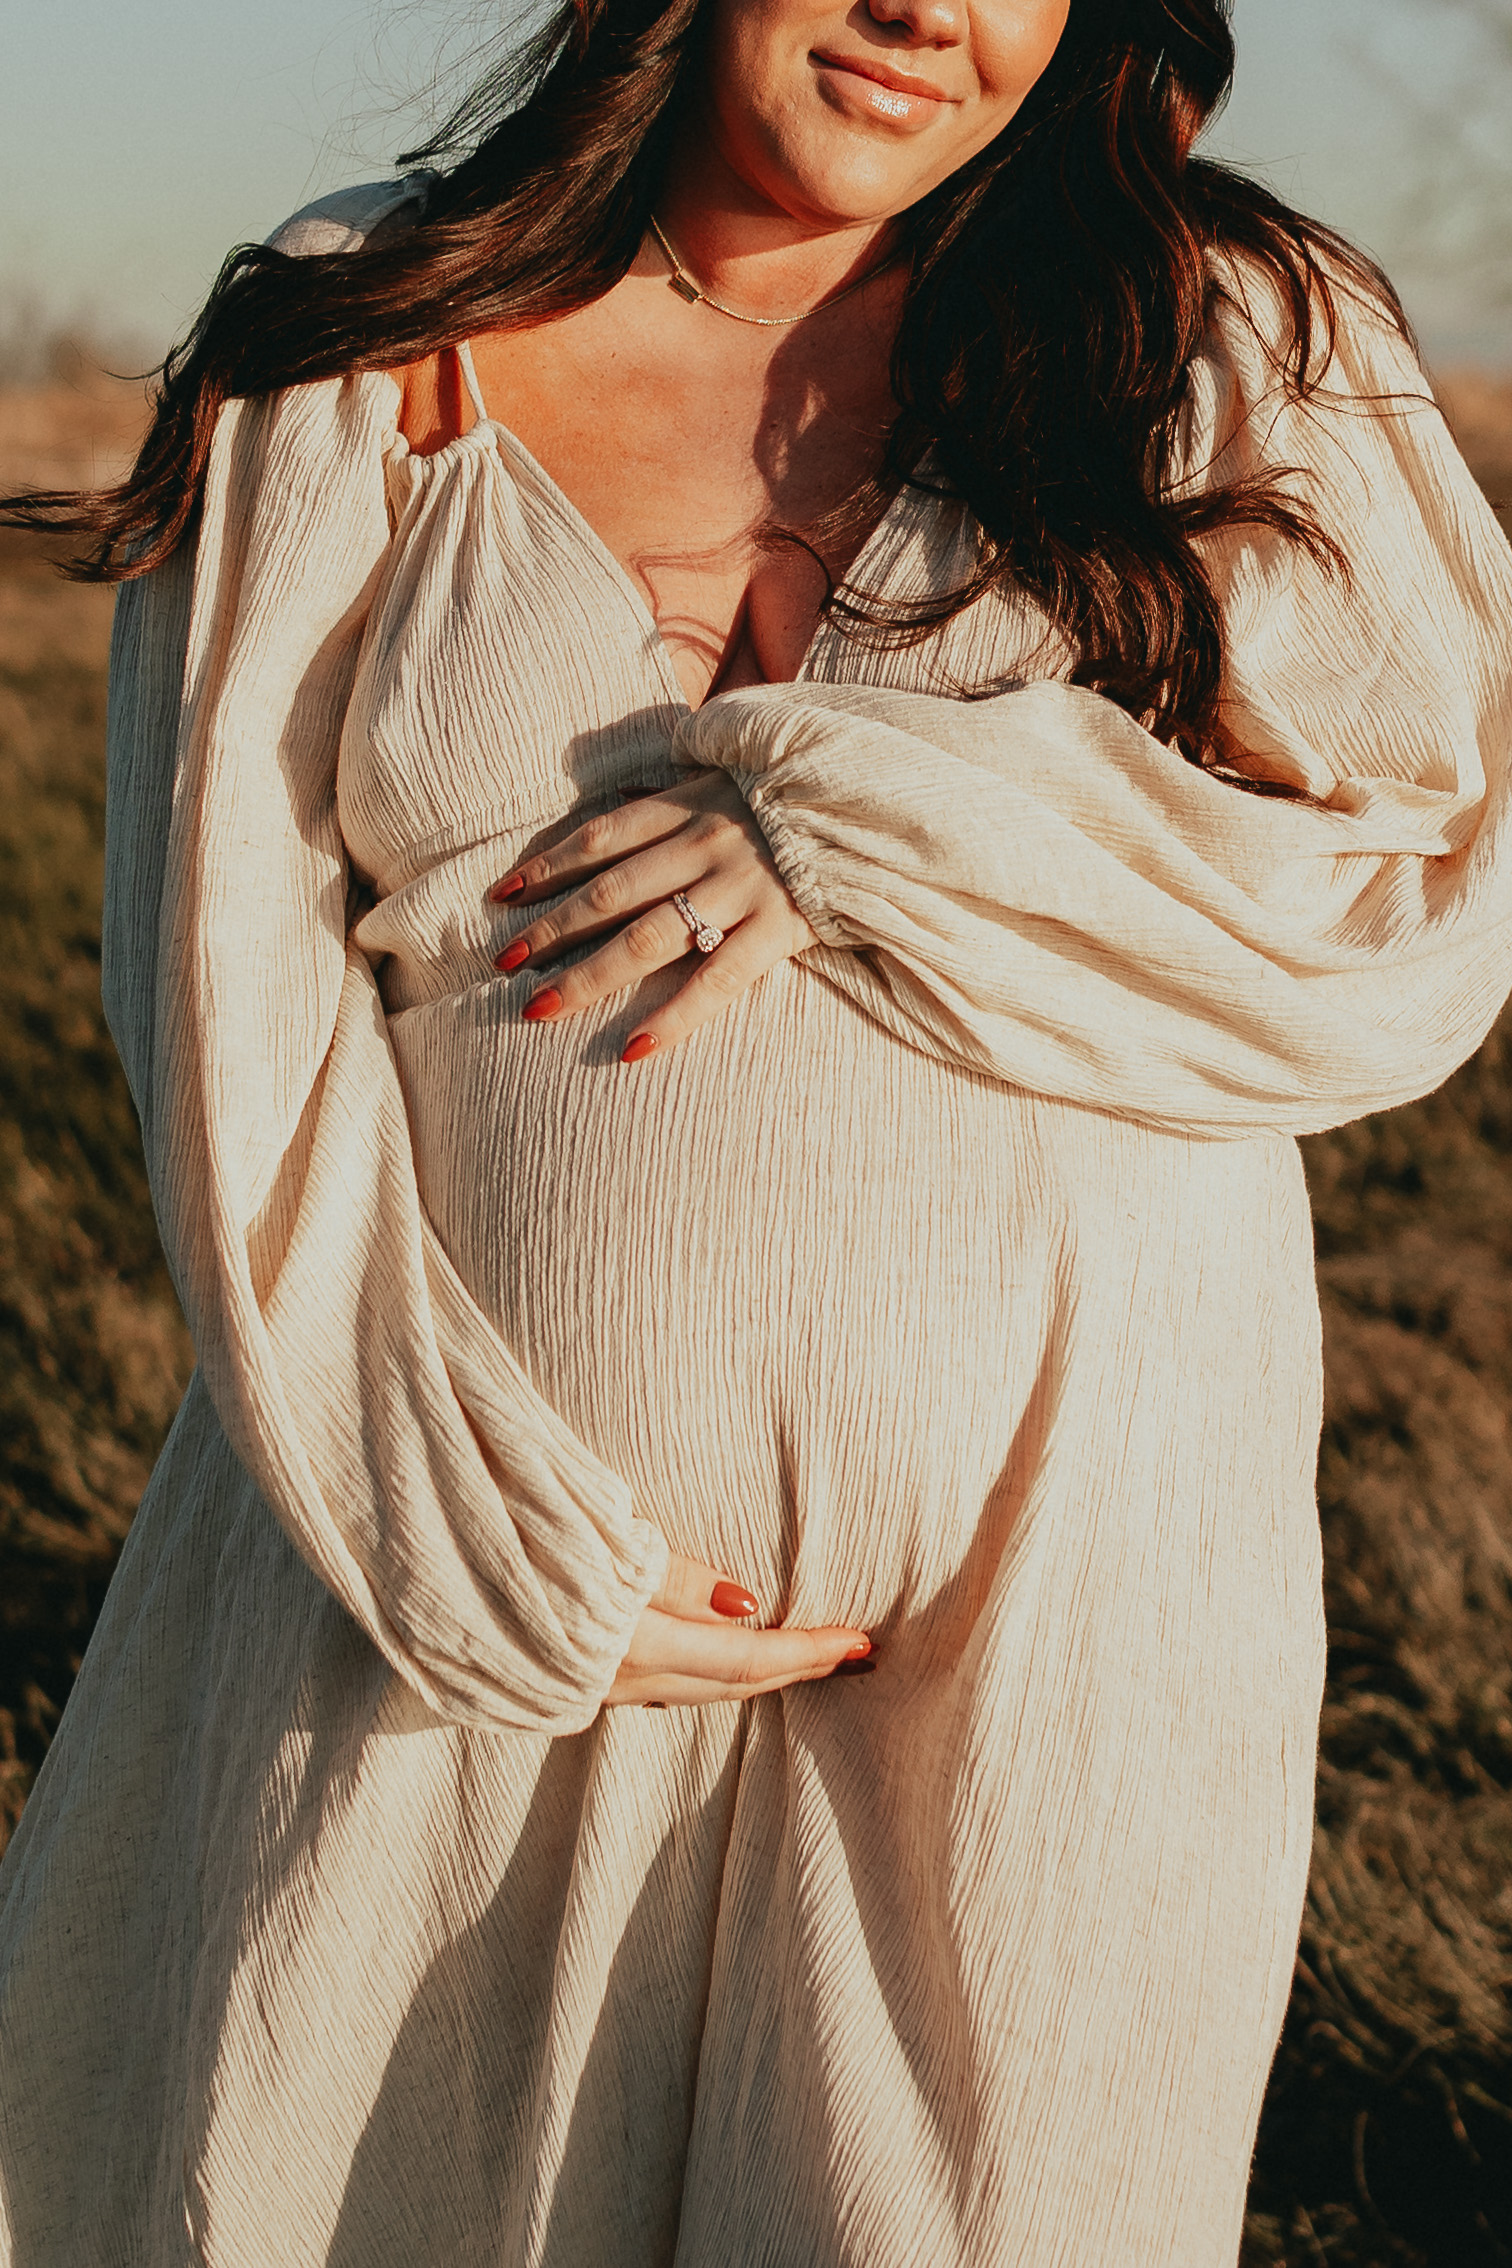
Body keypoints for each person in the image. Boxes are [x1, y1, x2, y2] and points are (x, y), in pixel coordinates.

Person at [3, 0, 1511, 2258]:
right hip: (450, 1584)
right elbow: (221, 1004)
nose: (930, 7)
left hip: (1055, 1634)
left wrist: (880, 815)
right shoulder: (371, 328)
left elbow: (1422, 894)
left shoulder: (1228, 334)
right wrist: (454, 1534)